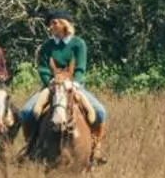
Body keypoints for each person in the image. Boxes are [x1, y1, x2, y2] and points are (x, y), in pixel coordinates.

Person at [16, 12, 110, 162]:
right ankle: (30, 147)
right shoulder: (46, 46)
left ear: (65, 24)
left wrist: (73, 83)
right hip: (52, 86)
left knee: (100, 112)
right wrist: (50, 82)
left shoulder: (78, 43)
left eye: (55, 23)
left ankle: (96, 148)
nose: (51, 26)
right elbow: (43, 69)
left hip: (74, 86)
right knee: (26, 112)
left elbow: (80, 68)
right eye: (51, 24)